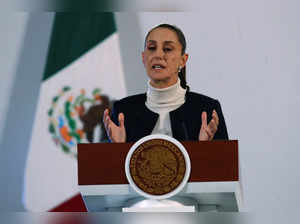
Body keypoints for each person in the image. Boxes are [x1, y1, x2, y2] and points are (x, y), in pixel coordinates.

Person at [103, 24, 228, 143]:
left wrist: (205, 148)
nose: (158, 54)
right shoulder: (123, 111)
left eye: (167, 49)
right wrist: (117, 148)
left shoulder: (206, 109)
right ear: (143, 57)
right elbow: (109, 165)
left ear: (183, 60)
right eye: (152, 48)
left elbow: (226, 164)